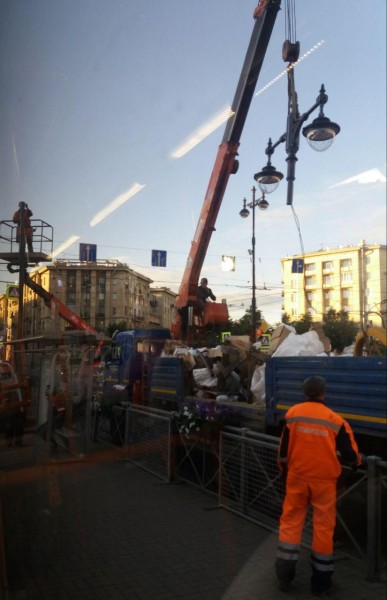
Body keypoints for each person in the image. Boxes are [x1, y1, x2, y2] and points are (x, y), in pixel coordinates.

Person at [275, 375, 361, 597]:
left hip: (297, 476)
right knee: (323, 528)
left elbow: (283, 452)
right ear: (323, 393)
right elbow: (352, 456)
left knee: (291, 521)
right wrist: (355, 464)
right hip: (324, 482)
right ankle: (321, 583)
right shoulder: (335, 419)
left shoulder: (292, 414)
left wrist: (284, 472)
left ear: (305, 392)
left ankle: (284, 575)